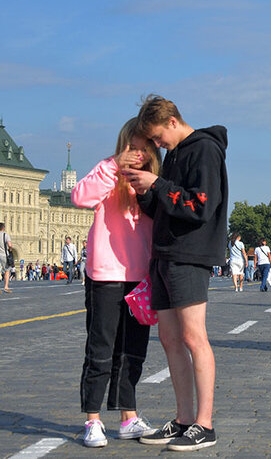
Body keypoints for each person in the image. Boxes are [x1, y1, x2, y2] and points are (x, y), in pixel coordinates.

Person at [125, 95, 228, 450]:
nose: (157, 145)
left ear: (172, 121)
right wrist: (143, 190)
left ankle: (205, 424)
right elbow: (165, 207)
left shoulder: (205, 150)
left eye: (157, 138)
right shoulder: (173, 155)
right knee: (169, 340)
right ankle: (183, 419)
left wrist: (157, 184)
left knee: (194, 338)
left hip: (189, 254)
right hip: (164, 254)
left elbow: (199, 205)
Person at [71, 117, 162, 447]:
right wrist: (113, 166)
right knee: (100, 350)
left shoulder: (153, 182)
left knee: (132, 351)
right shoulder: (107, 175)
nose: (136, 155)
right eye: (131, 148)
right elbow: (80, 196)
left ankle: (128, 416)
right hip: (106, 276)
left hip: (140, 278)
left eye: (143, 149)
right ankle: (92, 420)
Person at [0, 222, 13, 293]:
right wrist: (10, 250)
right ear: (3, 228)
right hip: (4, 255)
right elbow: (10, 245)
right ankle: (6, 287)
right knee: (7, 270)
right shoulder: (5, 235)